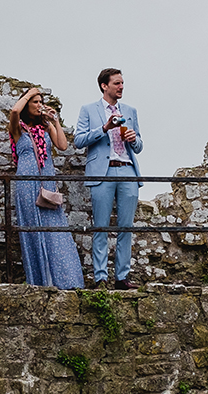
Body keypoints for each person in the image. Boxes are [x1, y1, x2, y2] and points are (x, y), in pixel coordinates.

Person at [73, 68, 143, 290]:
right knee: (101, 227)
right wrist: (104, 128)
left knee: (126, 227)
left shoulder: (130, 111)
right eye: (117, 83)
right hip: (102, 171)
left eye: (122, 83)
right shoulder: (88, 110)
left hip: (128, 171)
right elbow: (79, 140)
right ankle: (100, 278)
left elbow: (139, 146)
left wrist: (134, 139)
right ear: (104, 86)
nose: (121, 87)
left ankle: (122, 277)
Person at [8, 87, 84, 289]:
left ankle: (65, 281)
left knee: (55, 231)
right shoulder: (18, 129)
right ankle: (40, 282)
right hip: (26, 182)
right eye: (35, 102)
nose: (39, 105)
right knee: (32, 228)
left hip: (47, 181)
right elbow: (14, 112)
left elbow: (62, 146)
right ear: (26, 104)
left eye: (41, 101)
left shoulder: (45, 127)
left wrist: (55, 122)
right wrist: (27, 94)